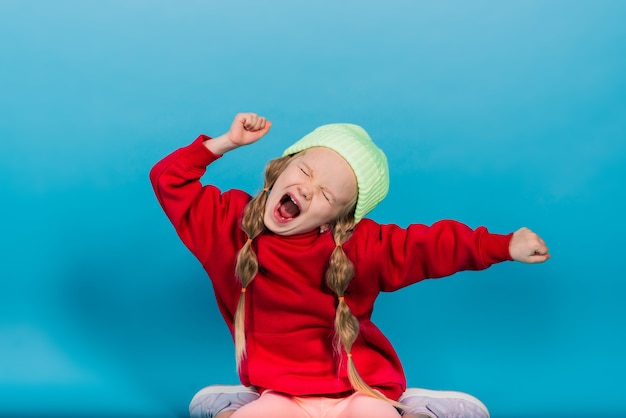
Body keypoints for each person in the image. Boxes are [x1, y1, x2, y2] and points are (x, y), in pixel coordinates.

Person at [150, 113, 550, 418]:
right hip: (281, 393)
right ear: (279, 169)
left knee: (369, 413)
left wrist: (503, 245)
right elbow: (168, 179)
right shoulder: (227, 226)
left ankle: (403, 407)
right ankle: (246, 403)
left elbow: (431, 247)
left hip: (361, 391)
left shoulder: (363, 246)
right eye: (304, 171)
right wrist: (226, 142)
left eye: (325, 193)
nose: (307, 188)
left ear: (336, 218)